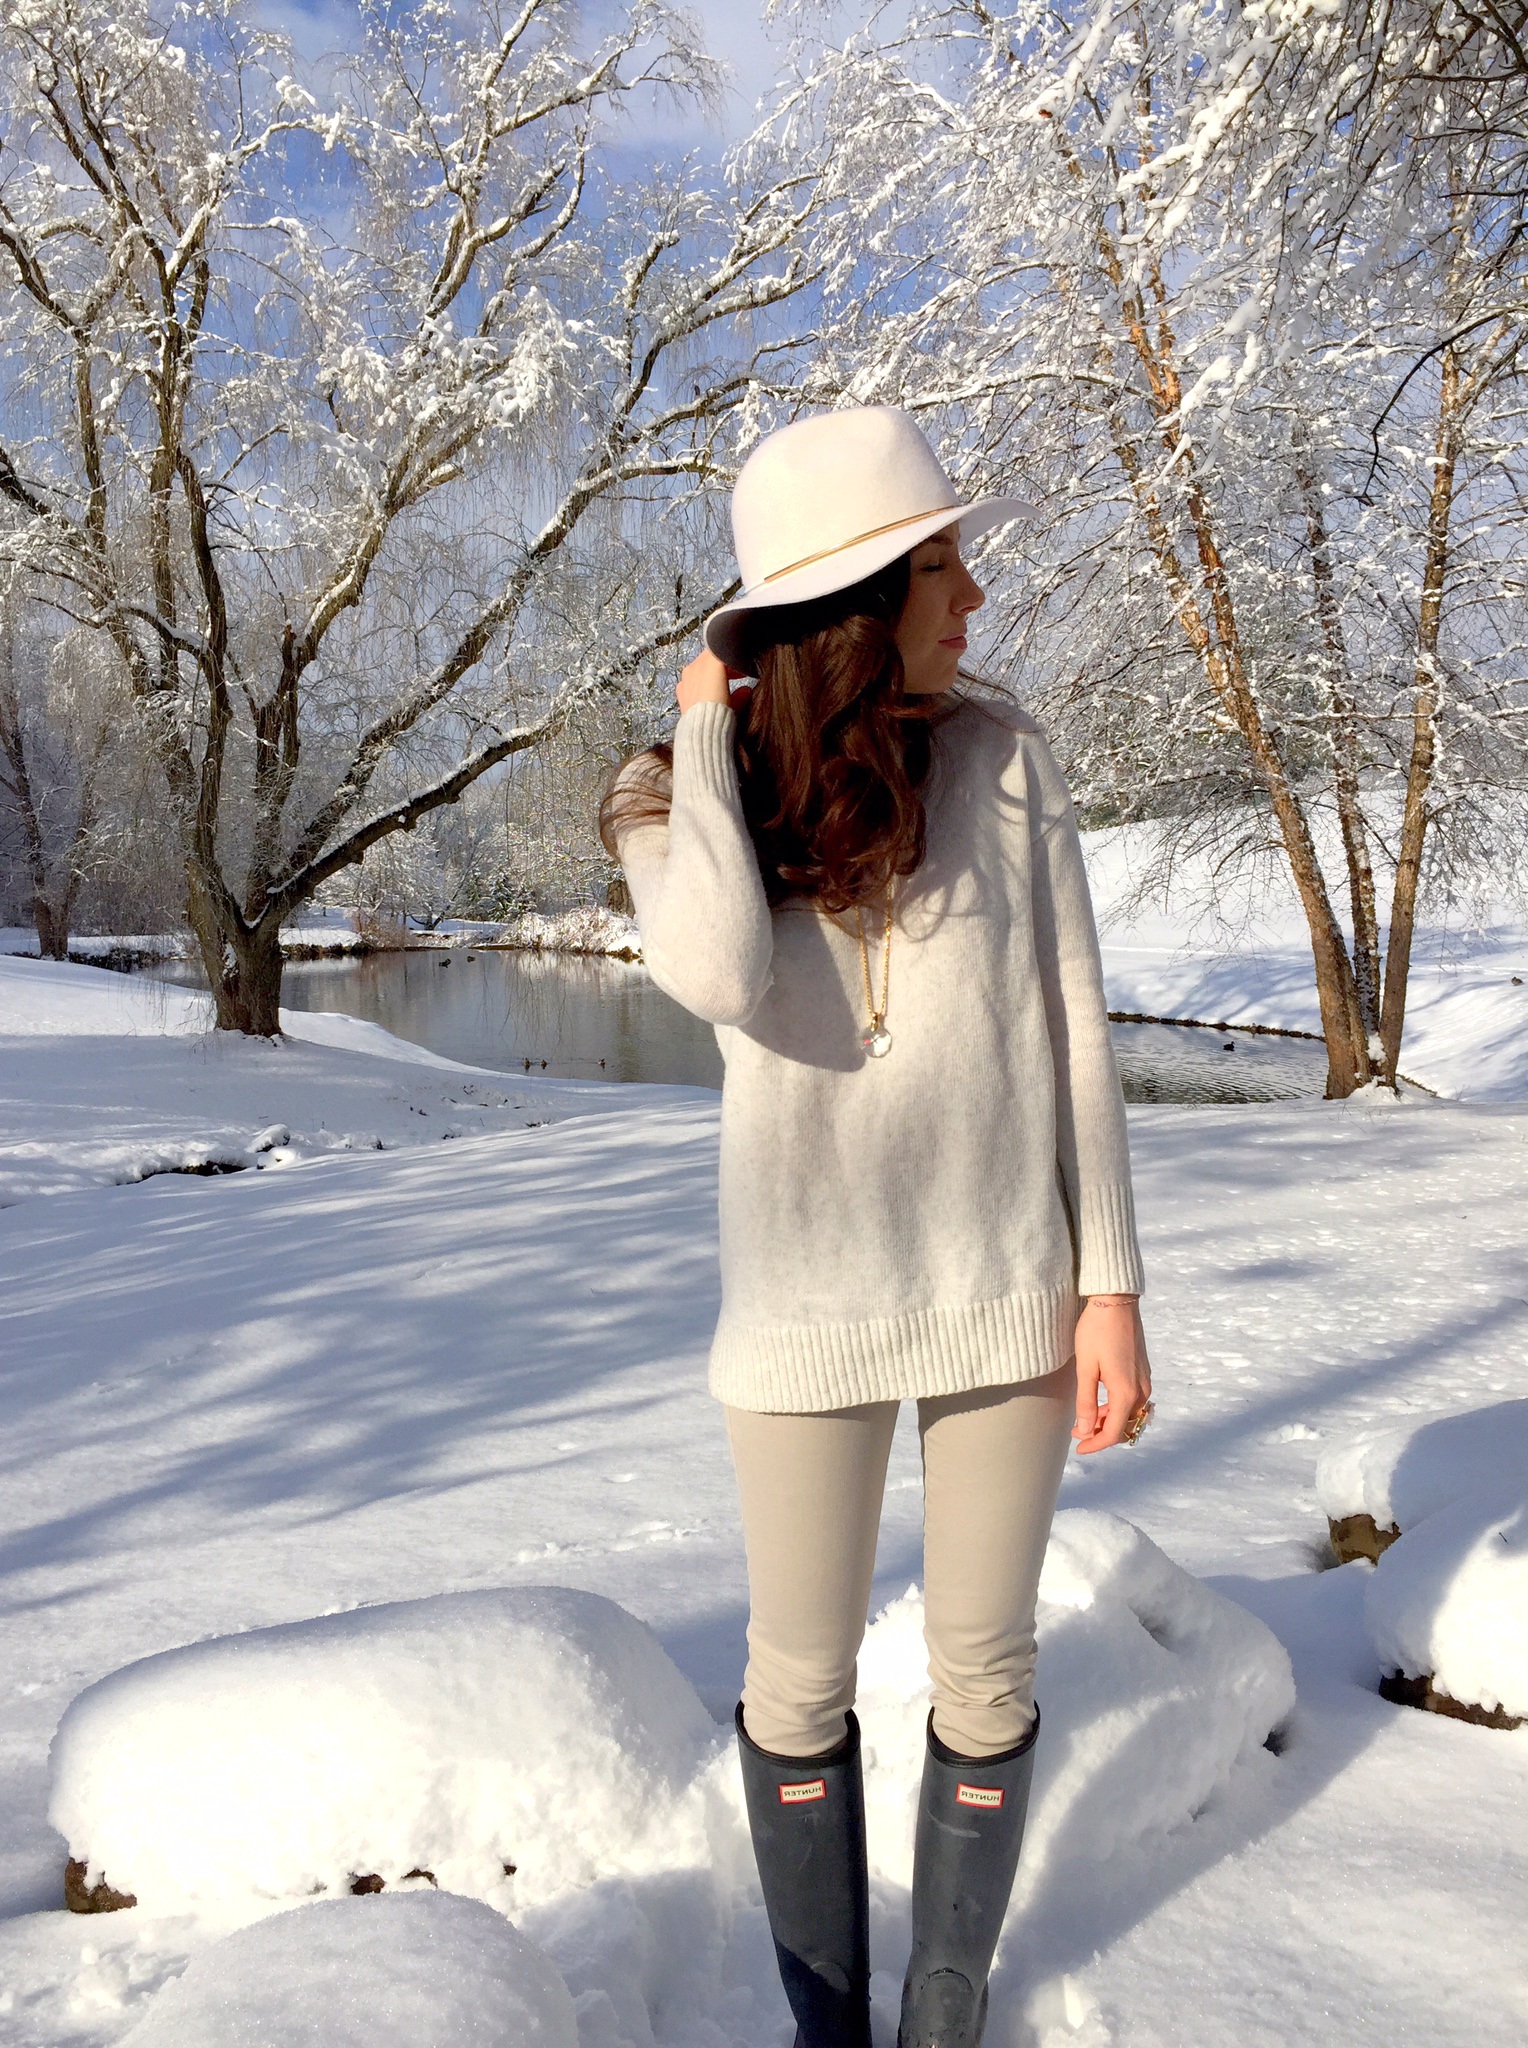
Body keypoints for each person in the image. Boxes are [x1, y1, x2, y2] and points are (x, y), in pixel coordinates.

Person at [601, 407, 1152, 2048]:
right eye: (941, 565)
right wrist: (704, 732)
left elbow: (1075, 1027)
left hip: (1007, 1287)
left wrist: (1107, 1283)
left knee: (984, 1673)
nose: (974, 594)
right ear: (854, 598)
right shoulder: (673, 796)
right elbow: (713, 970)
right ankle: (824, 2023)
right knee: (800, 1682)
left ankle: (944, 2014)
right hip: (802, 1310)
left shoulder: (1007, 757)